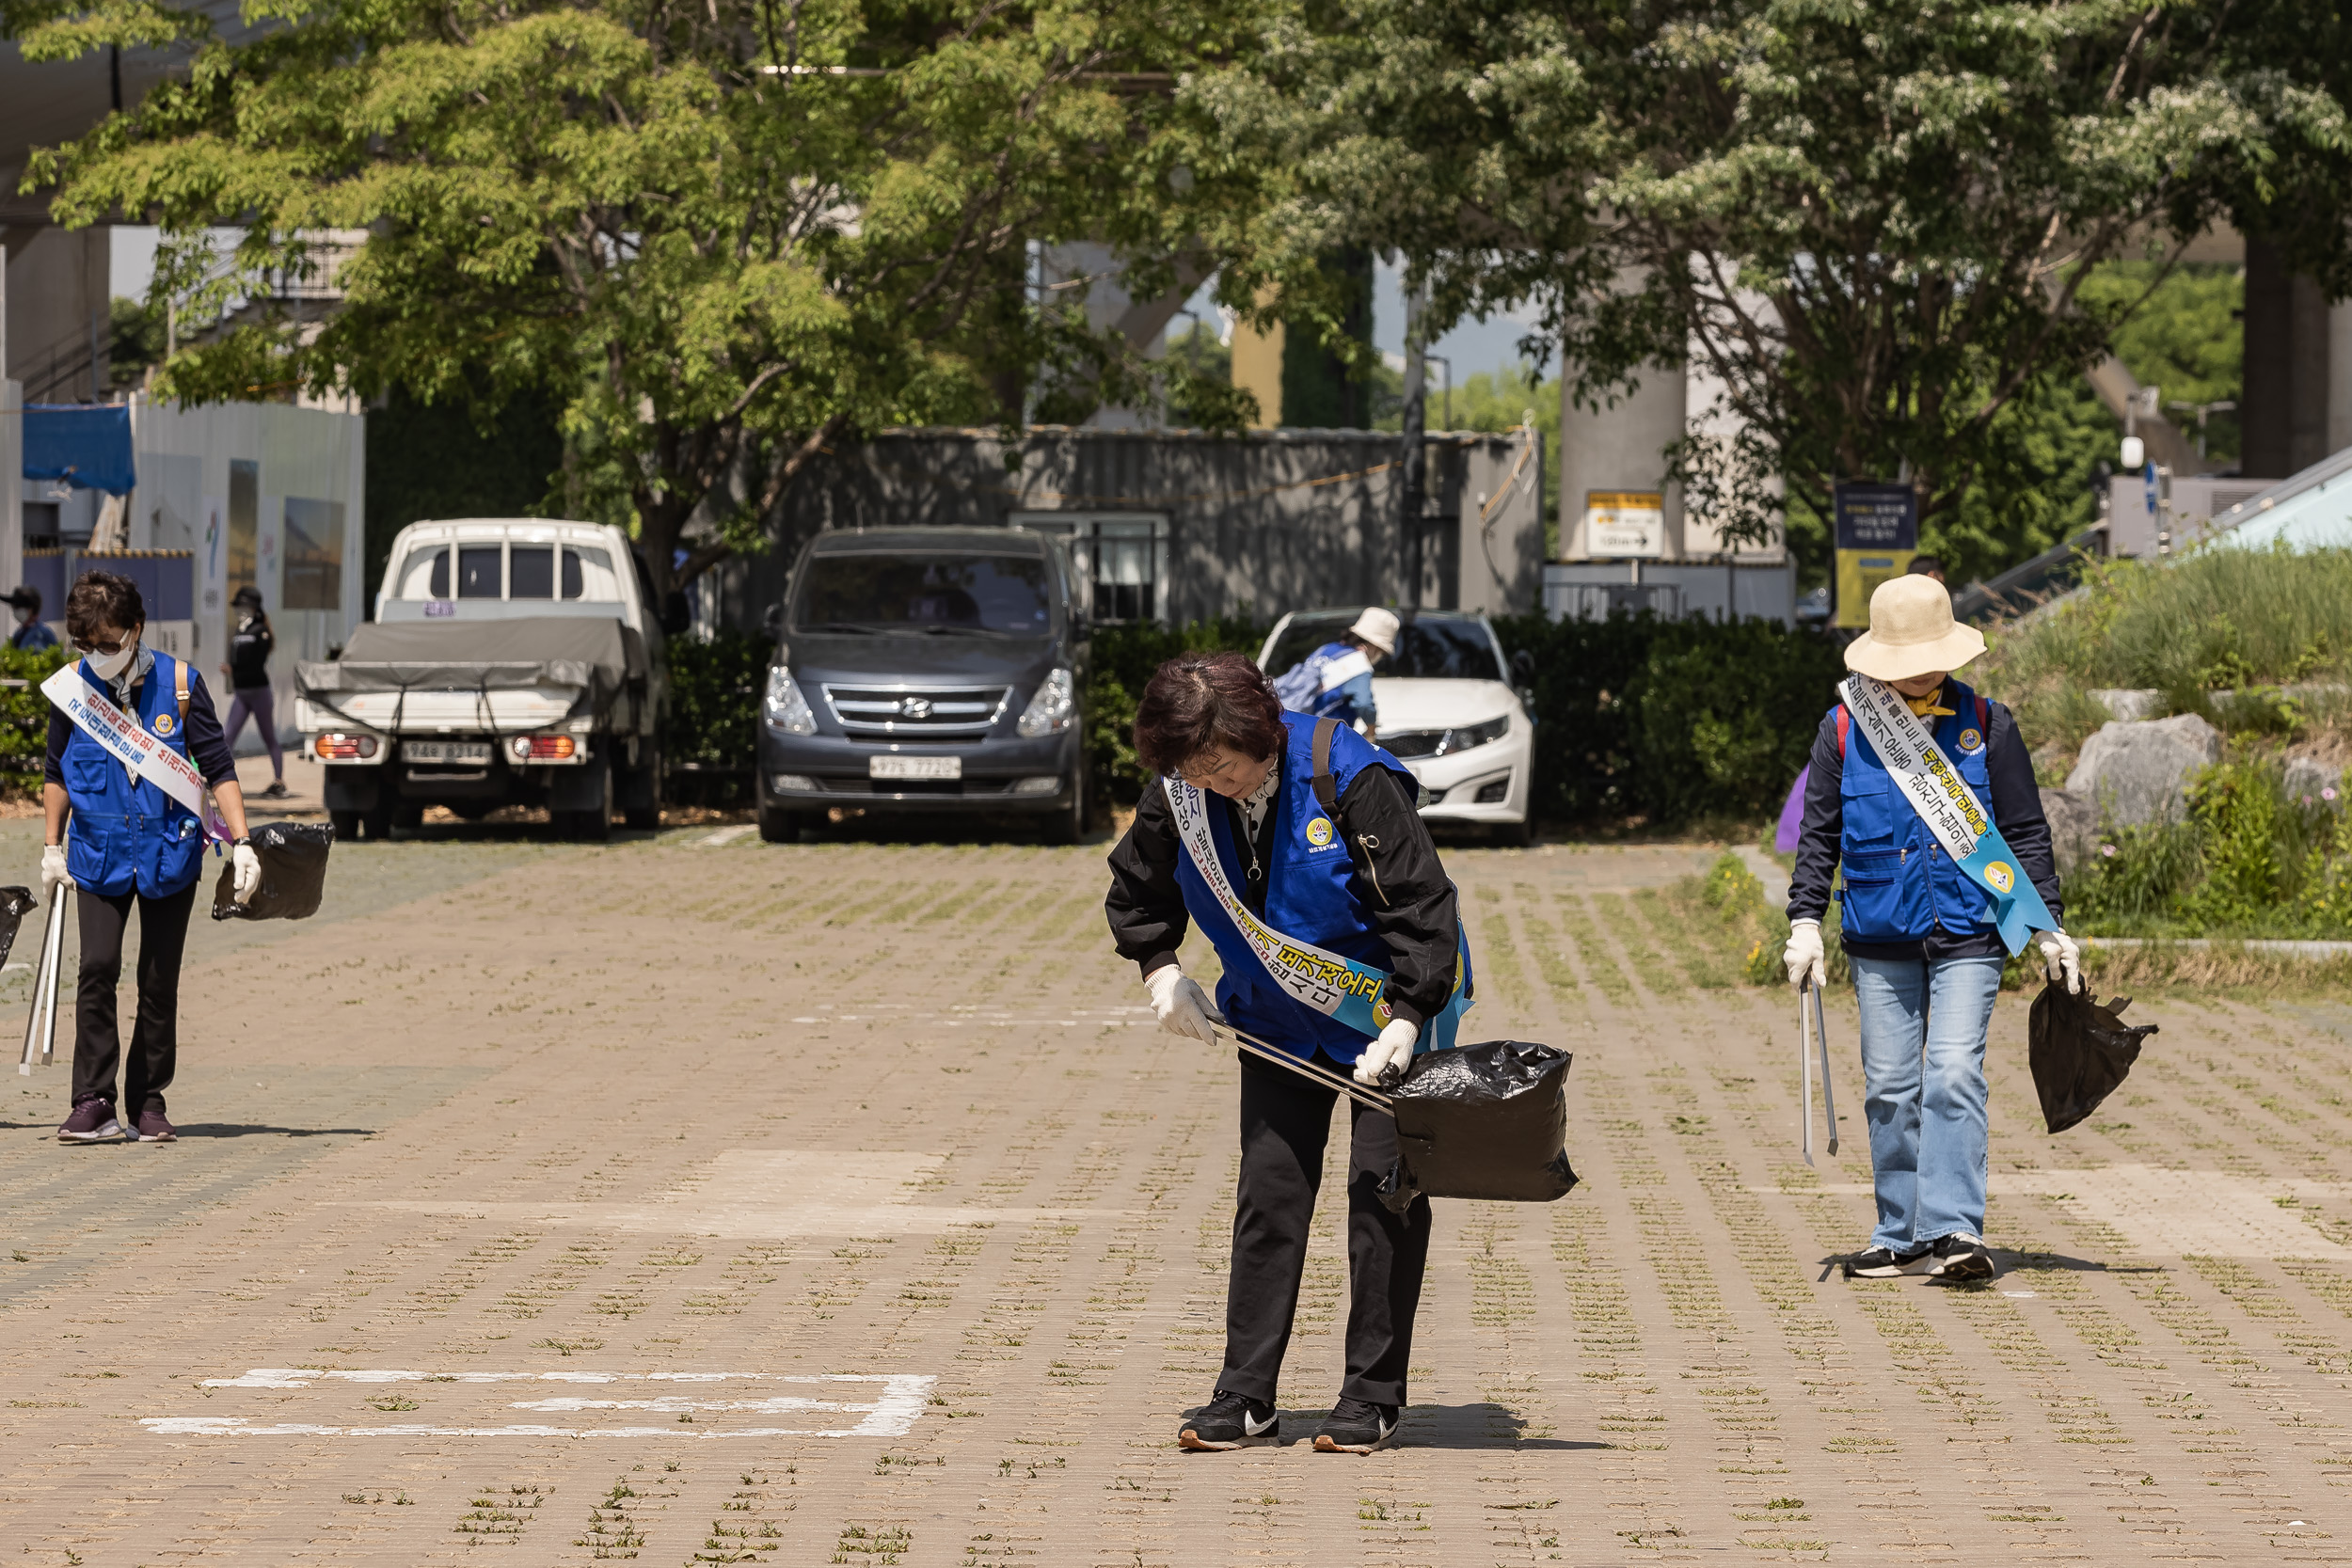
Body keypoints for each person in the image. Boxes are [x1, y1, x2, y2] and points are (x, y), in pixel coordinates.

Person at [1105, 651, 1469, 1455]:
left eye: (1221, 764)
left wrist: (1410, 1016)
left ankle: (1370, 1396)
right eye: (1192, 769)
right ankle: (1245, 1396)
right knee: (1268, 1198)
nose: (1210, 781)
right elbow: (1139, 888)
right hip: (1275, 1020)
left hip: (1381, 1017)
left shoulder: (1348, 774)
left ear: (1260, 732)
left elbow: (1423, 904)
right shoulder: (1183, 790)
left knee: (1384, 1195)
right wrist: (1160, 970)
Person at [1784, 575, 2080, 1283]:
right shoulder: (1847, 728)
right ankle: (1900, 1230)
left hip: (1971, 930)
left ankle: (1953, 1228)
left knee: (1951, 1074)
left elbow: (2025, 832)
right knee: (1888, 1086)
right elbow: (1819, 834)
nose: (1921, 667)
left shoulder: (1989, 723)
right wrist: (1805, 919)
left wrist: (2048, 927)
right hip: (1878, 930)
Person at [45, 571, 261, 1144]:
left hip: (169, 852)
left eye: (109, 642)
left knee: (158, 981)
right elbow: (56, 773)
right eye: (85, 643)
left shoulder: (182, 684)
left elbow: (218, 768)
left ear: (136, 630)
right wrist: (49, 846)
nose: (98, 654)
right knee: (96, 970)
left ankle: (149, 1101)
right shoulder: (71, 688)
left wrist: (241, 843)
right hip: (97, 853)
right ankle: (93, 1100)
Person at [1271, 607, 1400, 740]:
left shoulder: (1327, 649)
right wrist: (1371, 731)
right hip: (1323, 737)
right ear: (1373, 646)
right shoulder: (1360, 665)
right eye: (1381, 652)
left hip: (1294, 727)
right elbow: (1364, 703)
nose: (1380, 657)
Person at [220, 585, 287, 799]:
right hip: (242, 692)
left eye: (244, 606)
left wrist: (234, 669)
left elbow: (257, 662)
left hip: (258, 691)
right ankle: (218, 777)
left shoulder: (260, 631)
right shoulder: (240, 630)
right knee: (227, 735)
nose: (240, 611)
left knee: (269, 737)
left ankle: (279, 780)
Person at [8, 586, 57, 651]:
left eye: (18, 607)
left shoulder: (41, 633)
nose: (15, 610)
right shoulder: (20, 632)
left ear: (31, 609)